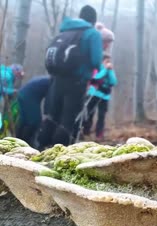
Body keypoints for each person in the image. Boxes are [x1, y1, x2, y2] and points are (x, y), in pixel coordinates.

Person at [37, 5, 103, 149]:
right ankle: (58, 155)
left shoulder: (64, 31)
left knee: (51, 117)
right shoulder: (93, 34)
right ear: (93, 20)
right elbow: (96, 61)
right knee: (68, 120)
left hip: (56, 80)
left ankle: (40, 149)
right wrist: (101, 74)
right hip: (77, 82)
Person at [83, 55, 117, 140]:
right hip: (94, 94)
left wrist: (110, 71)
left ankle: (99, 135)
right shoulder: (97, 68)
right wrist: (105, 70)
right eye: (106, 61)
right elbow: (96, 78)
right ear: (102, 61)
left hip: (105, 96)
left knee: (101, 116)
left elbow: (113, 82)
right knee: (89, 114)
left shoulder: (110, 70)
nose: (108, 63)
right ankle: (86, 132)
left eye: (109, 61)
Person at [15, 76, 51, 146]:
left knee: (24, 120)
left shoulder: (45, 80)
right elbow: (49, 100)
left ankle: (18, 139)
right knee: (35, 121)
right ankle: (26, 142)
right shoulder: (52, 83)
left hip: (22, 94)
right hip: (29, 97)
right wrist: (47, 113)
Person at [0, 64, 24, 134]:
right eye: (19, 74)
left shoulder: (7, 75)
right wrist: (12, 91)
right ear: (15, 71)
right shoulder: (6, 75)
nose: (18, 77)